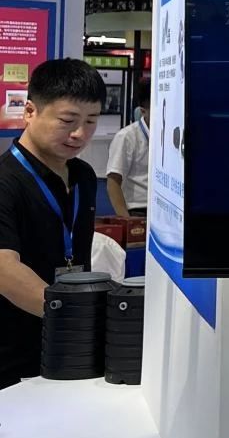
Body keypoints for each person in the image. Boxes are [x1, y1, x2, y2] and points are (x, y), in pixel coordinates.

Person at [0, 58, 105, 389]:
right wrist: (74, 315)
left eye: (91, 121)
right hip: (13, 353)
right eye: (67, 120)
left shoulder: (84, 175)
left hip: (71, 348)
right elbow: (4, 269)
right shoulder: (6, 180)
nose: (79, 134)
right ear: (30, 112)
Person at [106, 77, 150, 219]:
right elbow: (113, 182)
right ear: (143, 111)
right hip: (138, 210)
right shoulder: (126, 137)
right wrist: (126, 220)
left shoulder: (170, 136)